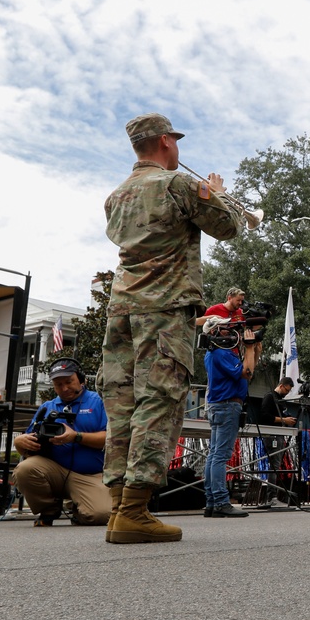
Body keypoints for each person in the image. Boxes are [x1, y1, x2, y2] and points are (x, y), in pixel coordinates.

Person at [101, 113, 244, 544]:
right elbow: (229, 228)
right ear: (165, 141)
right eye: (175, 142)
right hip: (163, 311)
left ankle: (117, 509)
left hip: (121, 310)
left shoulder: (115, 197)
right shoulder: (176, 184)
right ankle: (133, 511)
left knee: (122, 403)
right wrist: (217, 195)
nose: (178, 150)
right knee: (158, 401)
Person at [12, 358, 110, 527]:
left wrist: (76, 436)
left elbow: (111, 439)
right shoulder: (47, 406)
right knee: (24, 469)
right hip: (55, 471)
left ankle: (77, 507)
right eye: (58, 384)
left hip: (91, 474)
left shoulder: (99, 401)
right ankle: (49, 509)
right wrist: (19, 442)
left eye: (69, 382)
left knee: (101, 515)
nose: (64, 388)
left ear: (81, 379)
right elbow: (28, 446)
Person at [203, 323, 261, 517]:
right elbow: (246, 373)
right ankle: (220, 501)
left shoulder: (212, 353)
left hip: (219, 406)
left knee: (214, 454)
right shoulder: (221, 353)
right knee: (220, 455)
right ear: (213, 332)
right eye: (223, 328)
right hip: (227, 405)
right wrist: (250, 348)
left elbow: (248, 370)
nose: (229, 332)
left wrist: (254, 349)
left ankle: (212, 502)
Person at [259, 377, 296, 502]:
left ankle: (273, 494)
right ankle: (271, 496)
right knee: (274, 465)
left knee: (276, 465)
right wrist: (283, 420)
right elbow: (264, 416)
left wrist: (287, 418)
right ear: (281, 385)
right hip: (271, 434)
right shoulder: (270, 397)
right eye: (287, 390)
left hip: (278, 434)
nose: (287, 393)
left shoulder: (280, 400)